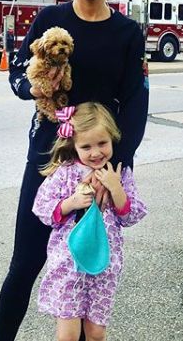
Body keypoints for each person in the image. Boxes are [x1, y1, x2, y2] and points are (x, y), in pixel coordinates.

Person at [0, 0, 149, 341]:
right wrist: (35, 89)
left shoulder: (128, 33)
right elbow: (17, 75)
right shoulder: (50, 21)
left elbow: (135, 100)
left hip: (99, 161)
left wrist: (118, 164)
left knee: (87, 264)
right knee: (25, 262)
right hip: (49, 156)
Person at [32, 102, 147, 341]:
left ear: (112, 139)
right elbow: (41, 206)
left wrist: (117, 189)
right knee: (68, 335)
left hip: (105, 264)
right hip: (68, 263)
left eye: (102, 143)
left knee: (96, 333)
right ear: (74, 146)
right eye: (86, 146)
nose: (95, 153)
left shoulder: (120, 174)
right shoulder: (65, 172)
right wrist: (71, 202)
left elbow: (132, 215)